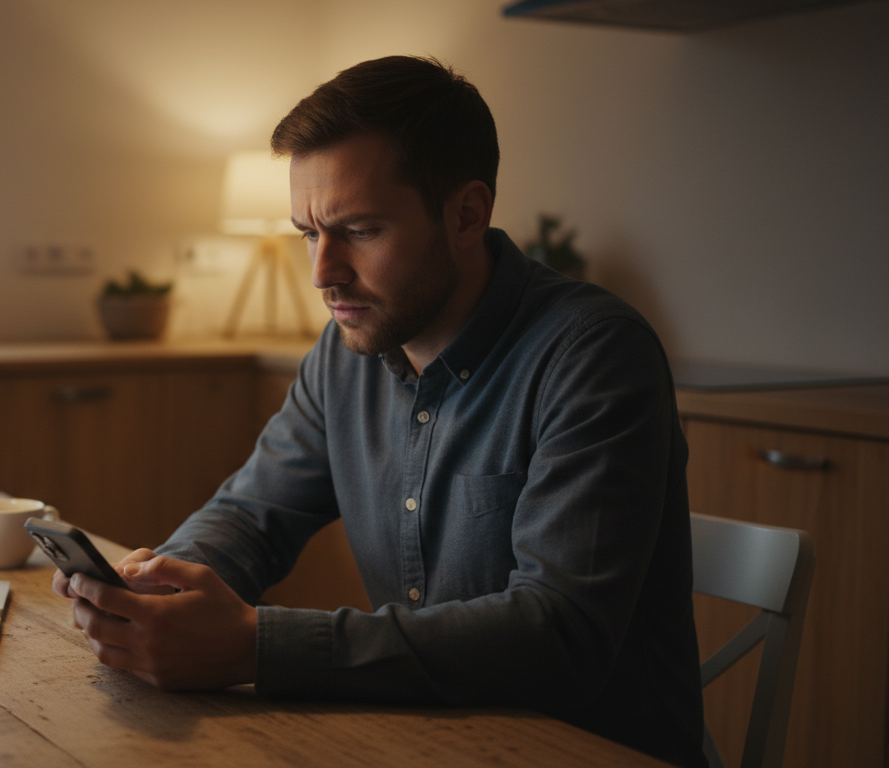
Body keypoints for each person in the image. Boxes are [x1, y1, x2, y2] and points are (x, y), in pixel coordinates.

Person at [53, 55, 706, 768]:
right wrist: (158, 589)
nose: (322, 274)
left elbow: (562, 635)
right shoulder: (345, 354)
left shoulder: (593, 354)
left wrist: (255, 643)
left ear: (466, 214)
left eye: (360, 230)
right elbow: (249, 517)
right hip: (423, 740)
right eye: (309, 232)